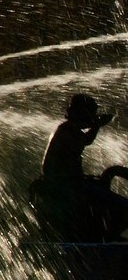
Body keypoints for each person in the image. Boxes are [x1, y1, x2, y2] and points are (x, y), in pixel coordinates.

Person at [32, 94, 128, 241]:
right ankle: (109, 237)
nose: (93, 116)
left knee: (106, 188)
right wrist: (96, 125)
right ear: (82, 112)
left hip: (72, 184)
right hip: (65, 186)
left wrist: (97, 125)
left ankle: (108, 234)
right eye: (92, 113)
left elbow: (85, 140)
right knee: (119, 205)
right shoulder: (66, 130)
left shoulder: (70, 129)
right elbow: (83, 141)